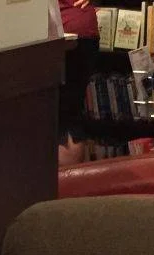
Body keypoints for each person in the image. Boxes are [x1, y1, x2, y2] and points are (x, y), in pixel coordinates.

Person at [58, 0, 99, 166]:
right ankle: (73, 184)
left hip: (65, 34)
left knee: (62, 119)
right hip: (82, 30)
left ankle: (66, 186)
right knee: (69, 115)